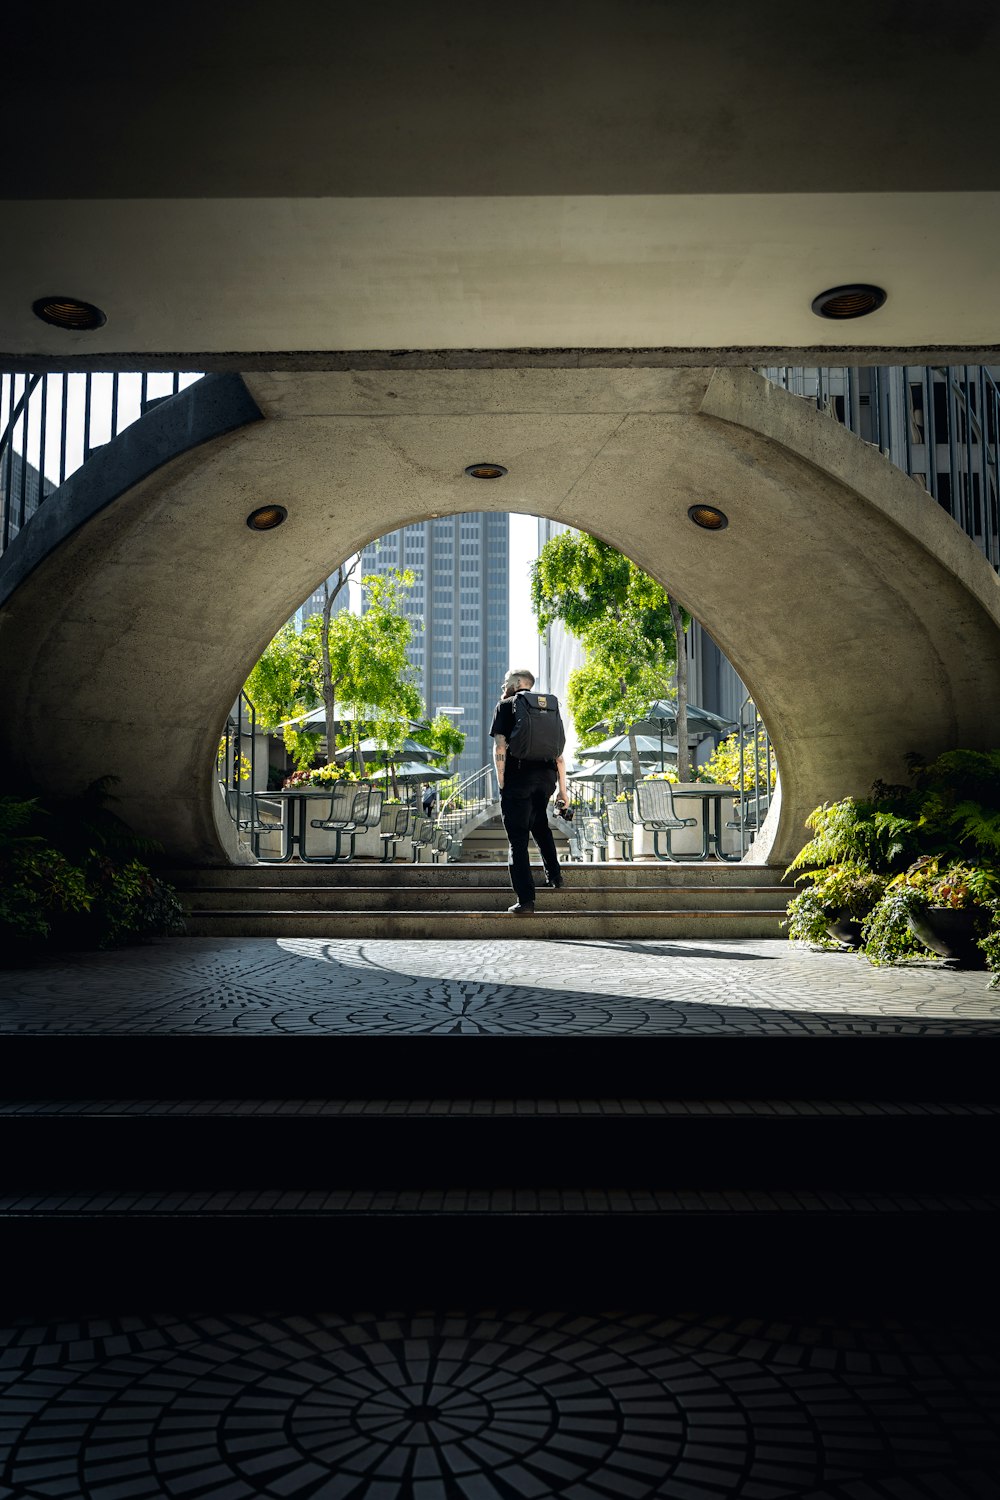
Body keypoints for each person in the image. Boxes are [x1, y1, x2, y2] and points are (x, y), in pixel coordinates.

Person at [490, 668, 571, 914]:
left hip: (518, 778)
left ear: (515, 684)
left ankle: (525, 900)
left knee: (518, 839)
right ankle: (555, 876)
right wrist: (562, 792)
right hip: (546, 779)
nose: (503, 687)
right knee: (540, 825)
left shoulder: (505, 706)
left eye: (505, 682)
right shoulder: (547, 709)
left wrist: (502, 780)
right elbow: (559, 756)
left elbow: (500, 747)